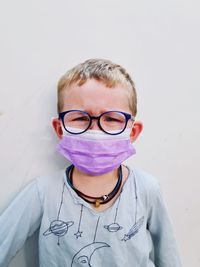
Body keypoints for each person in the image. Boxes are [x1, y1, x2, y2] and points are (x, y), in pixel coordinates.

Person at [0, 58, 181, 267]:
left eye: (112, 119)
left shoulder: (147, 189)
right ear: (60, 129)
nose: (95, 131)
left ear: (133, 131)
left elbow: (169, 257)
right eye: (79, 118)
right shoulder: (42, 193)